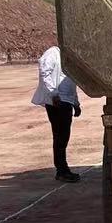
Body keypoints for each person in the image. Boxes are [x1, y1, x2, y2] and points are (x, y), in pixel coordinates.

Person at [31, 44, 82, 182]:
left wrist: (76, 103)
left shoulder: (68, 56)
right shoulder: (53, 53)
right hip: (57, 101)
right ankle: (61, 170)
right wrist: (53, 93)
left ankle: (63, 169)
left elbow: (72, 82)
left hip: (66, 101)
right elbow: (44, 71)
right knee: (60, 136)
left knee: (63, 137)